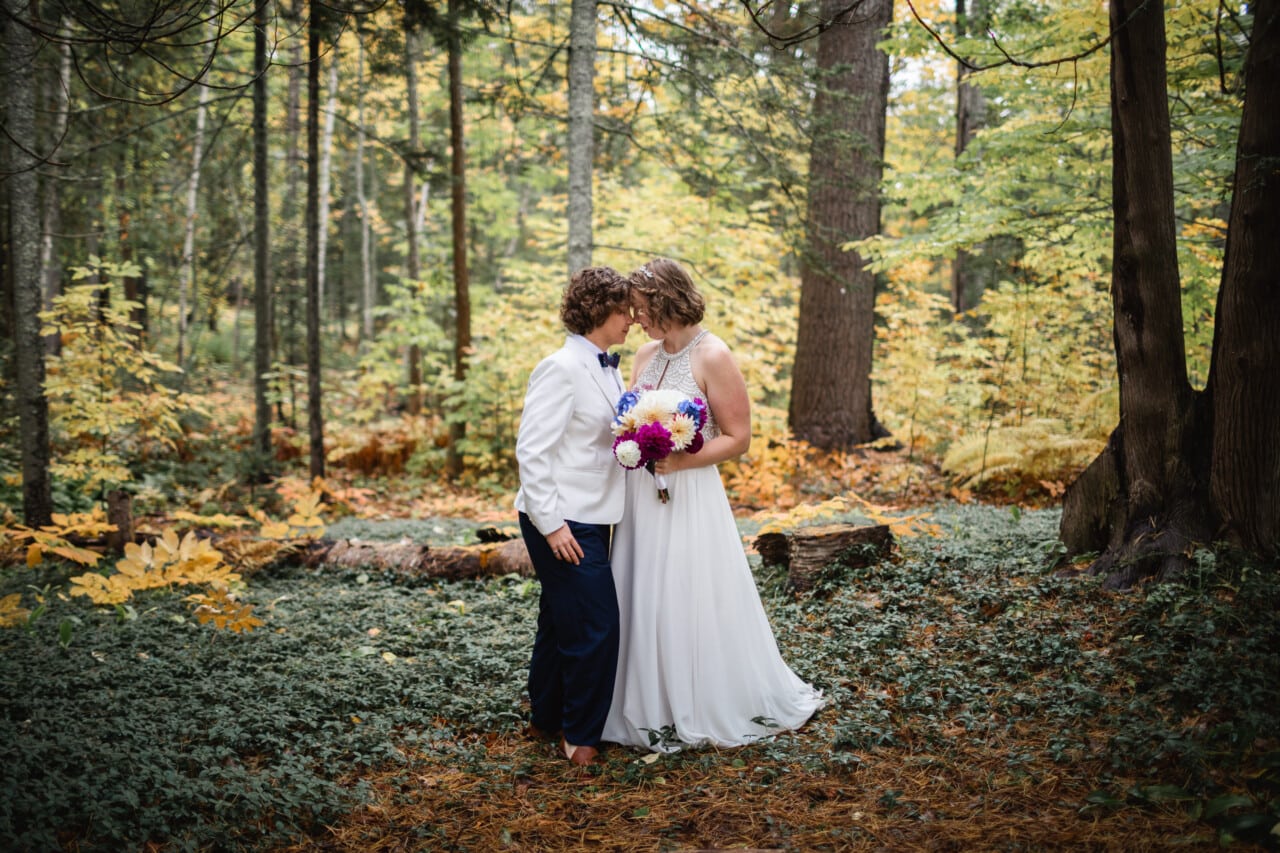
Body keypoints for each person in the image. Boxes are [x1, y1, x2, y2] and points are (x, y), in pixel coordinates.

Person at [602, 258, 823, 751]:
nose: (635, 318)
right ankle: (643, 705)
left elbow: (739, 438)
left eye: (640, 308)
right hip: (643, 497)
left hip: (691, 493)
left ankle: (700, 699)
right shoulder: (643, 355)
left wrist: (681, 463)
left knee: (687, 590)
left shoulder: (713, 355)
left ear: (664, 302)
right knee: (641, 590)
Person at [515, 266, 633, 766]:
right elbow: (531, 451)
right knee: (596, 626)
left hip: (593, 514)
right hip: (561, 519)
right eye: (626, 309)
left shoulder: (608, 366)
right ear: (602, 310)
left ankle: (547, 713)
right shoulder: (560, 367)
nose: (633, 318)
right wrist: (553, 524)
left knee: (559, 617)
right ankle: (580, 736)